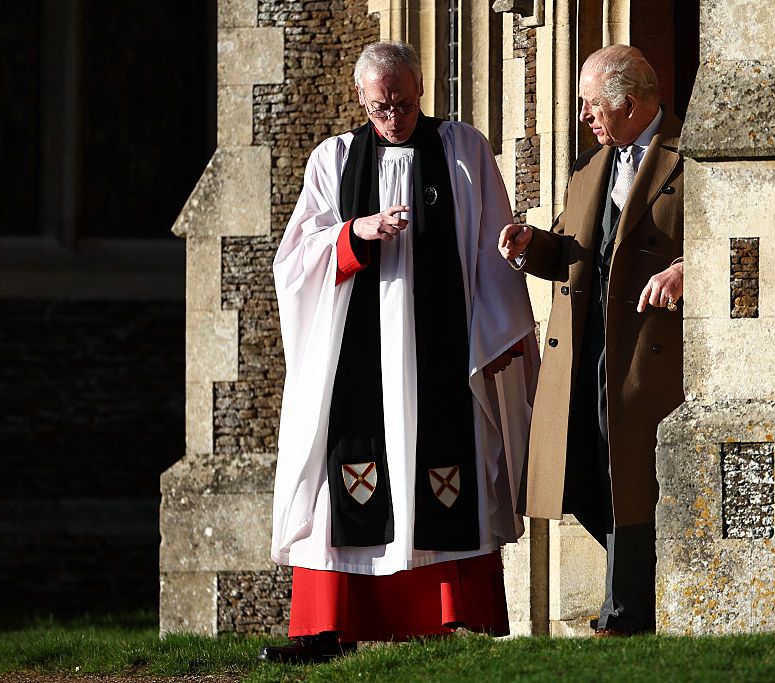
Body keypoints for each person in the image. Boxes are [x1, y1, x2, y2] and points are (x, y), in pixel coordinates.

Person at [265, 40, 537, 662]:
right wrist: (353, 233)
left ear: (421, 92)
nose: (393, 118)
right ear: (362, 100)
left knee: (445, 471)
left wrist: (498, 334)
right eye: (381, 107)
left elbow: (493, 250)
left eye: (405, 105)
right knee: (342, 478)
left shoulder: (463, 151)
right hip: (357, 362)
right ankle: (327, 629)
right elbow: (294, 262)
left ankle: (456, 618)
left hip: (445, 358)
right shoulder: (333, 160)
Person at [498, 44, 685, 636]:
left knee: (628, 474)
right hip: (585, 347)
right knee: (577, 468)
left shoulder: (693, 154)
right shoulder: (588, 168)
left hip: (646, 352)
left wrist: (687, 270)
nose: (583, 116)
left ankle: (624, 611)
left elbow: (735, 236)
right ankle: (642, 583)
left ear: (628, 104)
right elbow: (570, 250)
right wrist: (530, 245)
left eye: (592, 104)